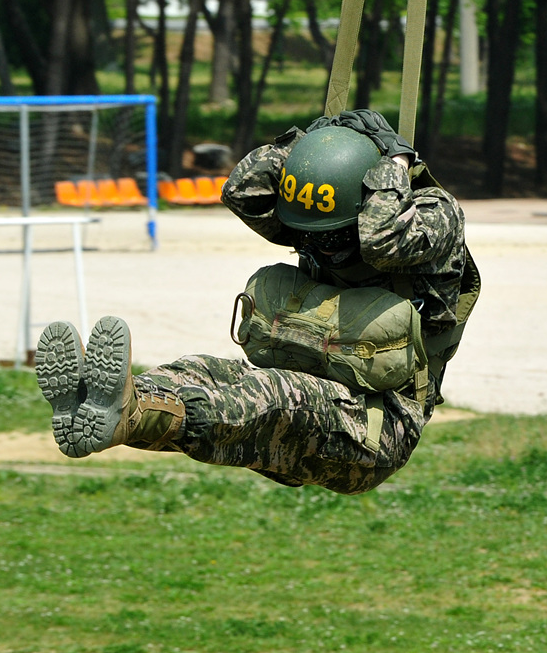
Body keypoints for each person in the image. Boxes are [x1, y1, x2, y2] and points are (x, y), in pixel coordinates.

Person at [34, 110, 477, 495]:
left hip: (376, 428)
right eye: (312, 238)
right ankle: (115, 408)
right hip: (305, 405)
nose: (322, 249)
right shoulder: (319, 224)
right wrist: (302, 145)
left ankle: (127, 414)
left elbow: (381, 240)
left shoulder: (433, 217)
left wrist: (394, 162)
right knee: (202, 371)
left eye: (335, 236)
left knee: (268, 396)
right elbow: (241, 191)